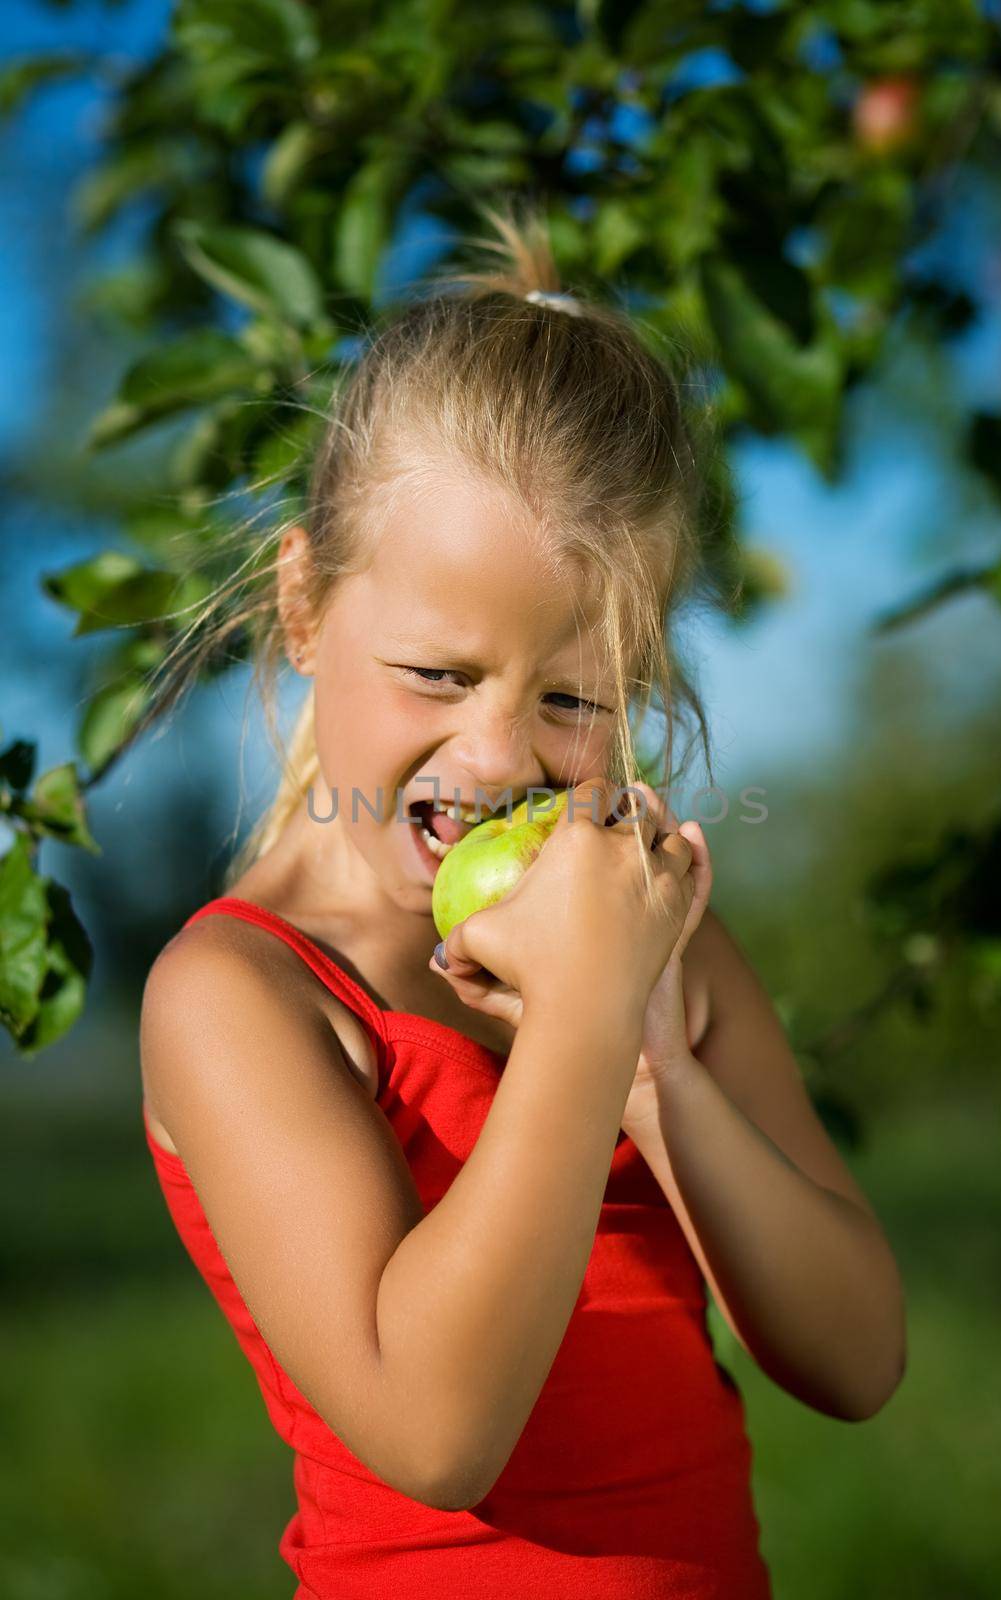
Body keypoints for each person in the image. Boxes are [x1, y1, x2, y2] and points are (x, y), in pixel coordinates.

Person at [139, 200, 905, 1598]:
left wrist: (652, 1058)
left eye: (571, 700)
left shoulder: (647, 947)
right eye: (437, 675)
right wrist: (583, 1031)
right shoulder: (242, 994)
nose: (496, 756)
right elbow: (435, 1430)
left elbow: (857, 1359)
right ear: (304, 609)